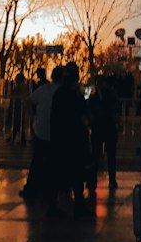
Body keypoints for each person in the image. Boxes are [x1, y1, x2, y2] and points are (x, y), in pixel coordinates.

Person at [51, 65, 92, 218]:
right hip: (74, 139)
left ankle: (53, 205)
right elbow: (83, 114)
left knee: (58, 172)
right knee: (76, 174)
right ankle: (79, 206)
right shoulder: (75, 95)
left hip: (61, 138)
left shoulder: (59, 94)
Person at [21, 66, 55, 201]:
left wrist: (32, 115)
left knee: (38, 159)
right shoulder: (53, 88)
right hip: (52, 129)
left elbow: (29, 100)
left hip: (41, 127)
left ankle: (33, 186)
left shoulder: (42, 88)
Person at [88, 73, 120, 190]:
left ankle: (110, 179)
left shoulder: (106, 96)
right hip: (101, 127)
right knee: (97, 156)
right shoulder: (98, 96)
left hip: (105, 127)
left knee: (108, 155)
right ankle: (95, 180)